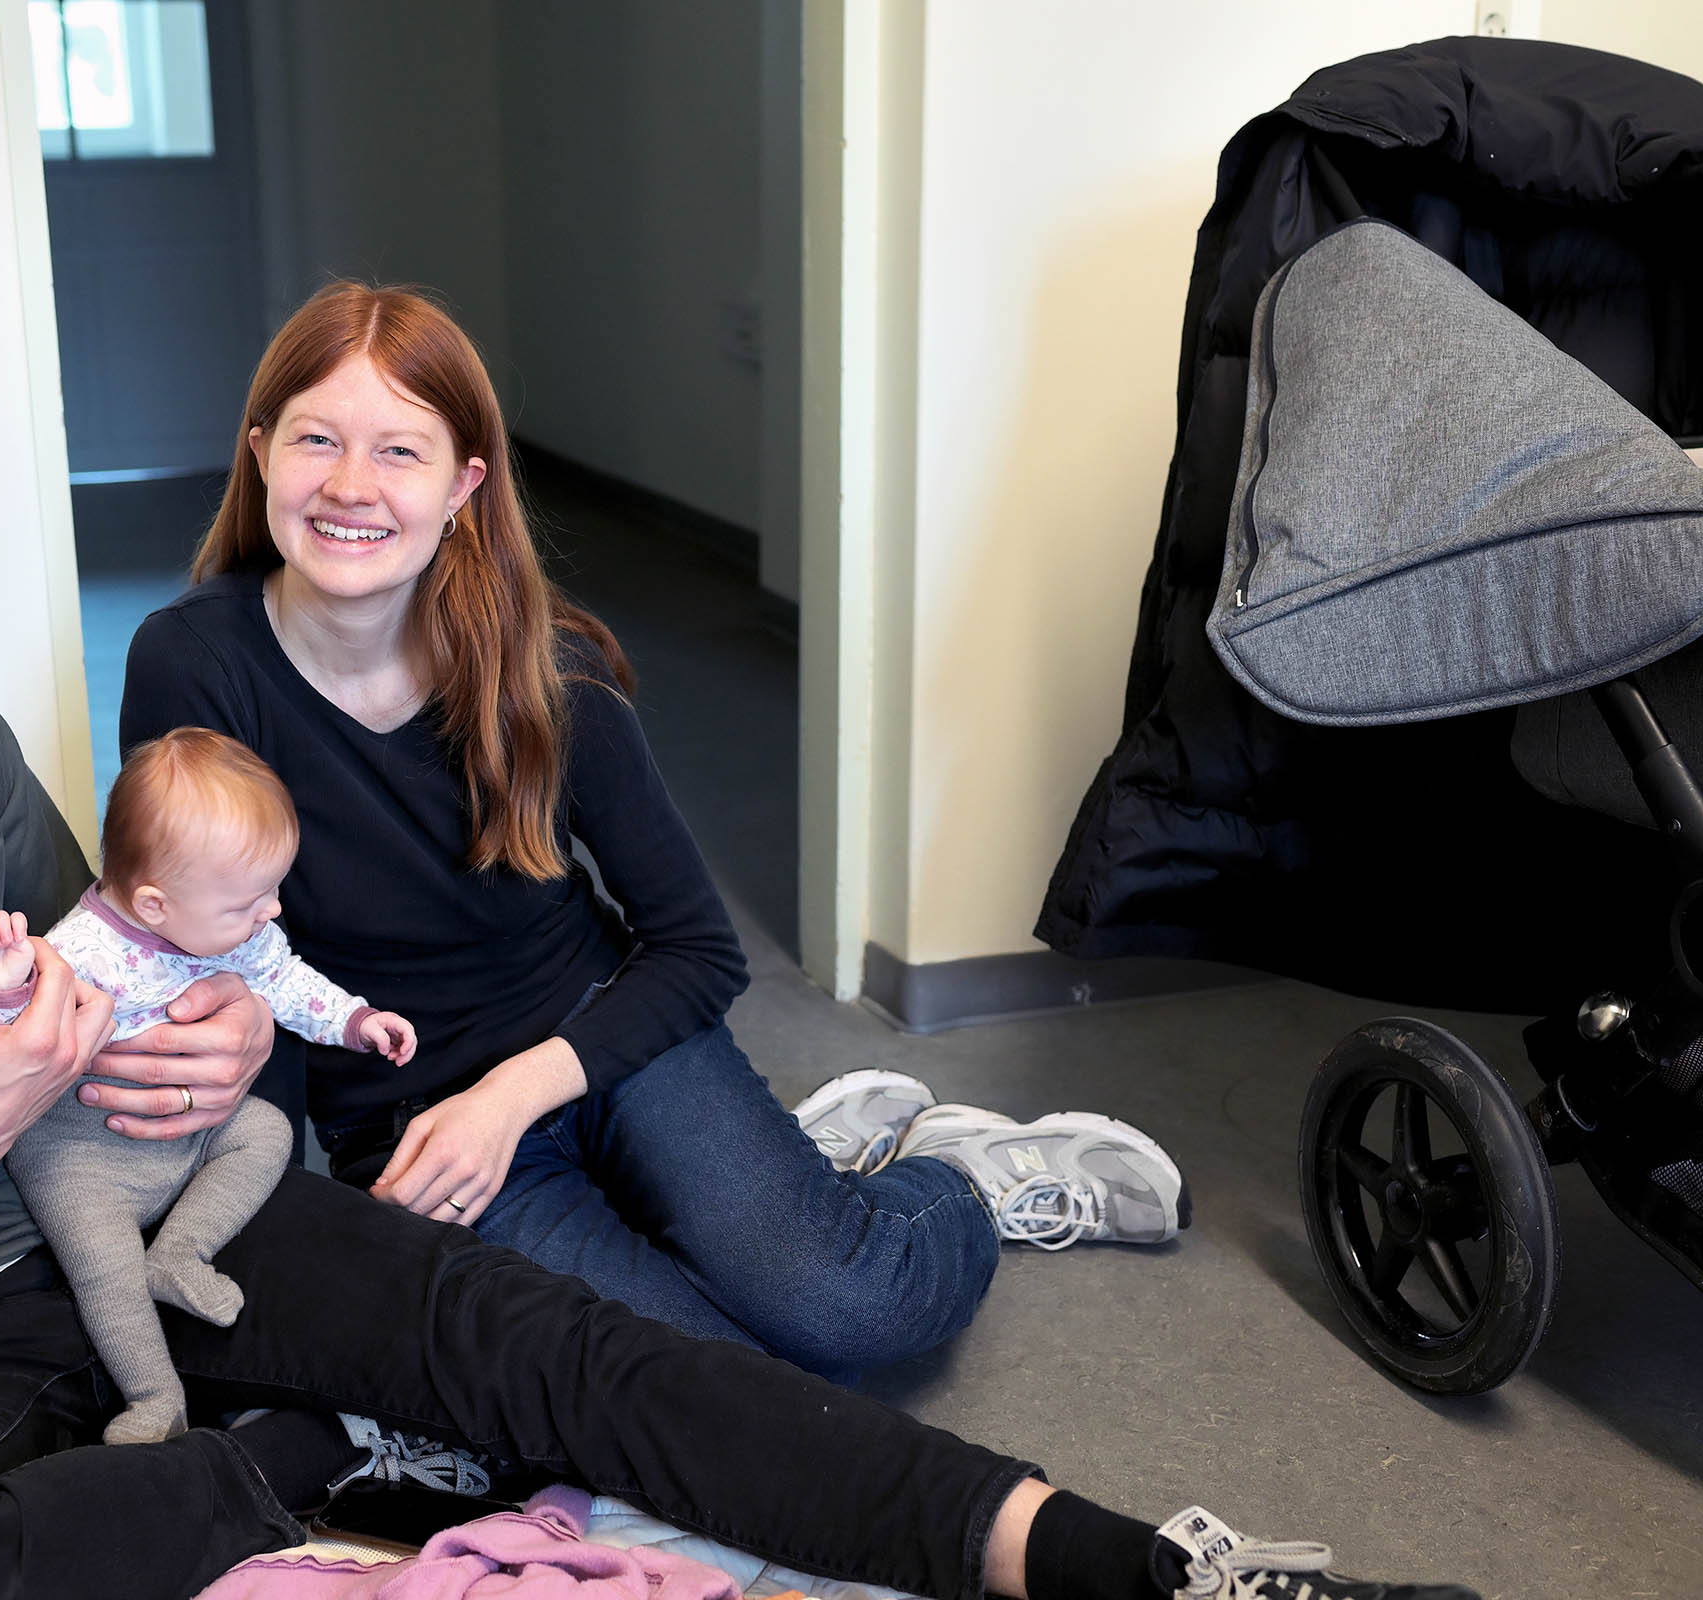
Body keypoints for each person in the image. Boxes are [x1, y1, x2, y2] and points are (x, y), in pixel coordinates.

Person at [0, 282, 1477, 1600]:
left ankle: (1152, 1565)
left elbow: (134, 941)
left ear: (463, 491)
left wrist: (173, 1052)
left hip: (289, 1146)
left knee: (600, 1356)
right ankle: (312, 1448)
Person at [118, 282, 1190, 1381]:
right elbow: (214, 954)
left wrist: (514, 1091)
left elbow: (696, 948)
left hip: (604, 1039)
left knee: (850, 1314)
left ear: (463, 487)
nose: (350, 484)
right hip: (410, 1119)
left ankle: (946, 1173)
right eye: (316, 440)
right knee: (709, 1390)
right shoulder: (192, 666)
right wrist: (298, 1227)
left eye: (400, 450)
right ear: (259, 453)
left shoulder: (545, 674)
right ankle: (803, 1177)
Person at [0, 727, 419, 1445]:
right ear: (154, 906)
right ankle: (155, 1398)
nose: (269, 912)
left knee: (266, 1129)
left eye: (273, 890)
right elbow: (12, 1034)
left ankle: (181, 1251)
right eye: (247, 902)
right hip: (83, 1148)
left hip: (189, 1126)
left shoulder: (233, 928)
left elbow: (286, 981)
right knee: (101, 1265)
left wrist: (355, 1020)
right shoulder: (82, 953)